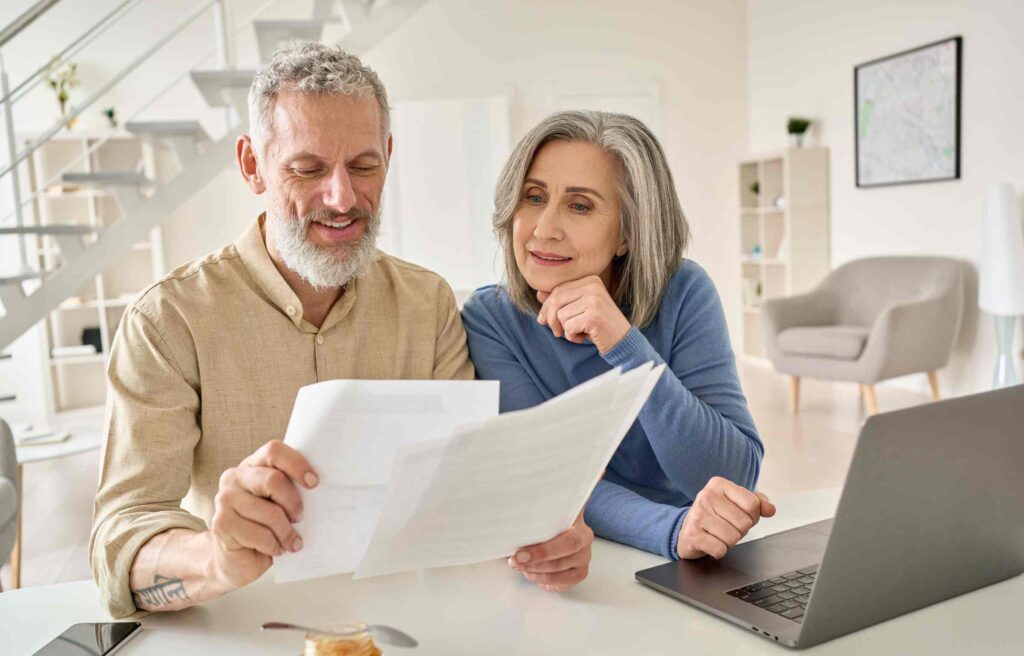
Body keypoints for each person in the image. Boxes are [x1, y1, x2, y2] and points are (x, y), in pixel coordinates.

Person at [89, 44, 571, 618]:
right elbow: (120, 538)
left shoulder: (428, 303)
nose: (342, 198)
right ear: (252, 165)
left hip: (408, 624)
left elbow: (467, 490)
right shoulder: (168, 321)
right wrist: (213, 557)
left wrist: (543, 533)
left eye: (363, 166)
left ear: (388, 157)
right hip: (240, 630)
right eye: (307, 168)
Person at [462, 110, 776, 589]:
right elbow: (549, 479)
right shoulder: (491, 318)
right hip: (588, 561)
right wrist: (672, 531)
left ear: (627, 232)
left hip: (694, 565)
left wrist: (626, 345)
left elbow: (733, 474)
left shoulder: (684, 291)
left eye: (580, 206)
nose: (544, 228)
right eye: (534, 197)